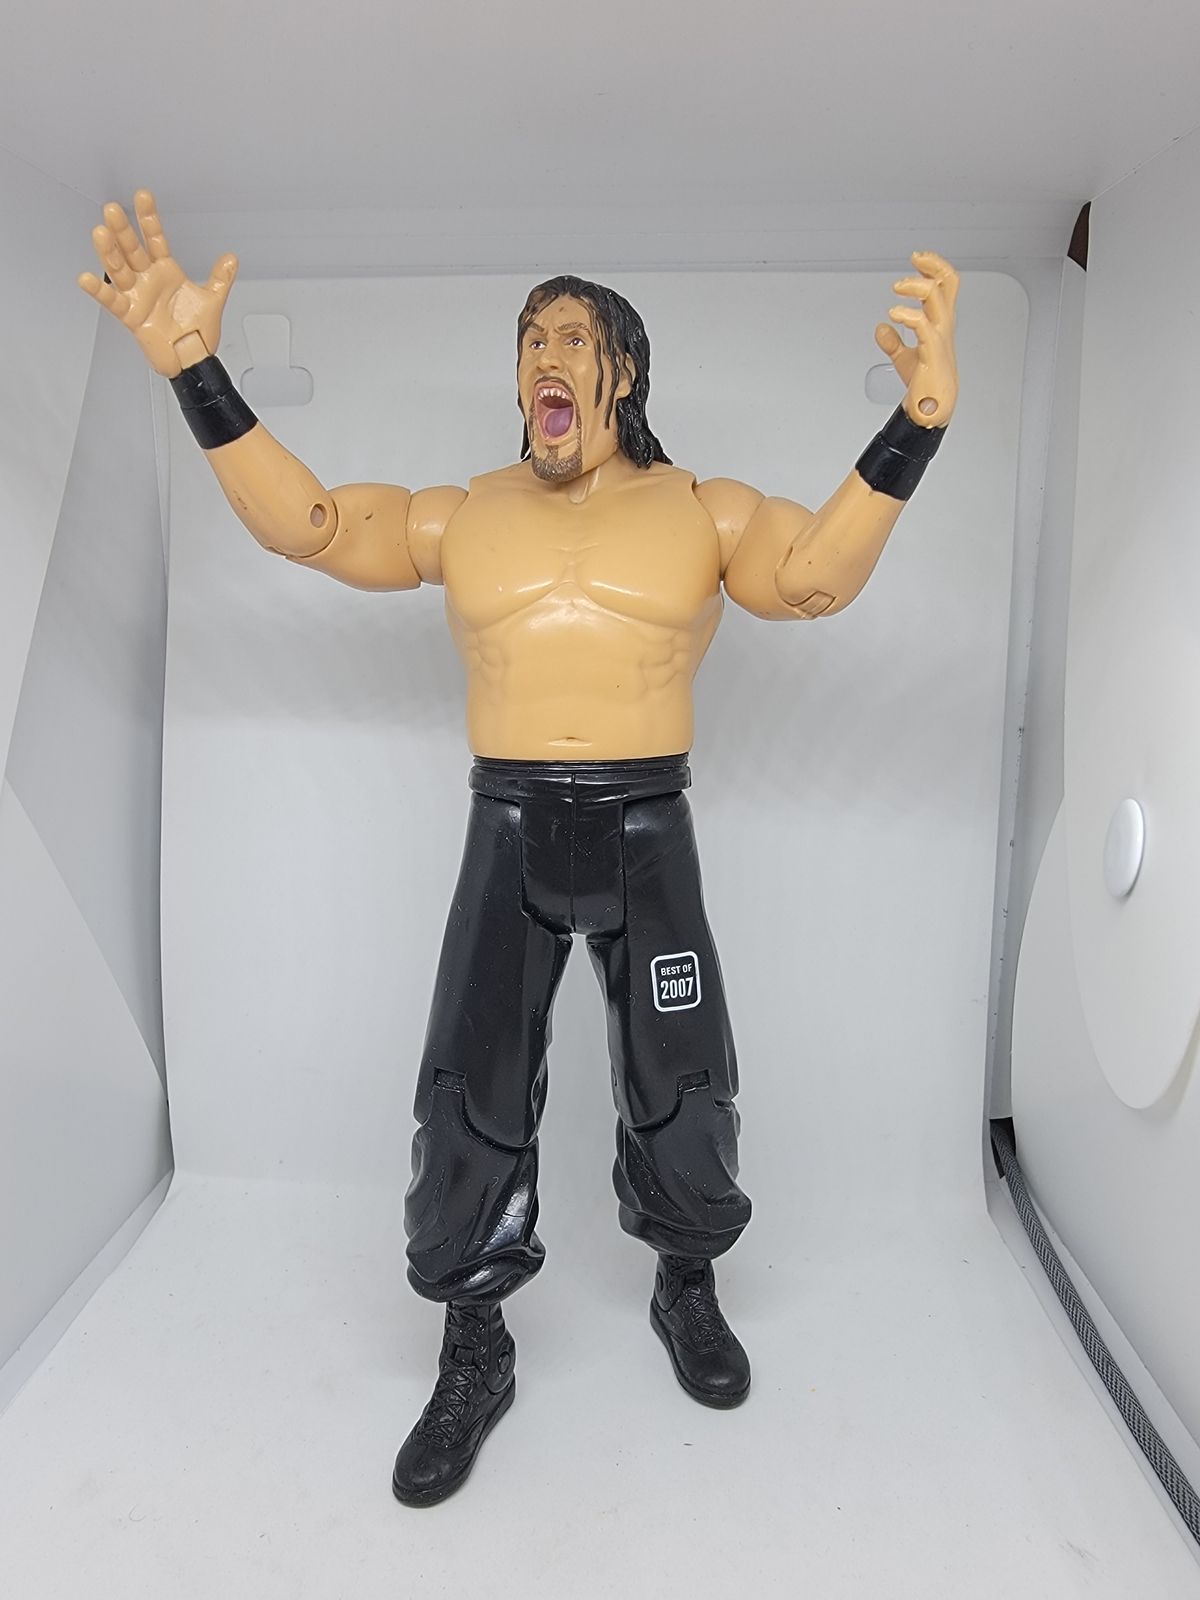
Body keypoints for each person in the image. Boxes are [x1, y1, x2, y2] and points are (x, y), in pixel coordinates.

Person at [79, 190, 960, 1508]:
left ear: (624, 371)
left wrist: (919, 421)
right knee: (469, 1087)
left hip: (648, 823)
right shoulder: (467, 514)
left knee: (684, 1074)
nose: (545, 358)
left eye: (569, 338)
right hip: (509, 827)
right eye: (529, 342)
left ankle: (686, 1282)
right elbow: (309, 526)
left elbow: (814, 577)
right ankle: (475, 1344)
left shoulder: (703, 511)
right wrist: (193, 370)